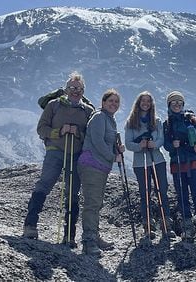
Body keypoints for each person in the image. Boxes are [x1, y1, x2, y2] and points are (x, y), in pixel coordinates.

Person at [23, 71, 94, 249]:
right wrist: (59, 132)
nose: (75, 91)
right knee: (45, 184)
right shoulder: (53, 106)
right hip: (55, 151)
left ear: (83, 90)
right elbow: (41, 129)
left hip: (75, 154)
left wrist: (78, 133)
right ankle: (30, 225)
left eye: (78, 88)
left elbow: (90, 136)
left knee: (72, 192)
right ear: (66, 89)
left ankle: (69, 235)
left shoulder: (88, 111)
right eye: (71, 88)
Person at [77, 89, 124, 256]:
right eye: (110, 101)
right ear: (103, 102)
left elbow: (105, 141)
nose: (113, 104)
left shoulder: (109, 120)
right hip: (92, 164)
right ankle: (89, 241)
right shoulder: (99, 117)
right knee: (92, 204)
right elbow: (97, 141)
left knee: (96, 203)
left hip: (99, 166)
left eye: (116, 102)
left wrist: (117, 149)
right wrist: (113, 156)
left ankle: (94, 236)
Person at [124, 91, 176, 241]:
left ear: (151, 104)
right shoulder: (131, 122)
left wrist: (154, 144)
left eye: (148, 101)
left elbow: (161, 139)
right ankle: (148, 225)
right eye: (143, 101)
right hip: (141, 162)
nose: (145, 103)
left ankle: (166, 224)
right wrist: (140, 145)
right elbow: (128, 144)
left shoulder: (157, 121)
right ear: (138, 103)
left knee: (162, 190)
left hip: (157, 159)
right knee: (144, 192)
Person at [162, 90, 196, 241]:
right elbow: (166, 144)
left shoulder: (192, 119)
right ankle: (188, 225)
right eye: (174, 102)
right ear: (169, 104)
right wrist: (172, 145)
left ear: (183, 104)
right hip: (179, 163)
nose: (177, 105)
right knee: (182, 196)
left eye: (179, 102)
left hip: (194, 161)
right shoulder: (167, 124)